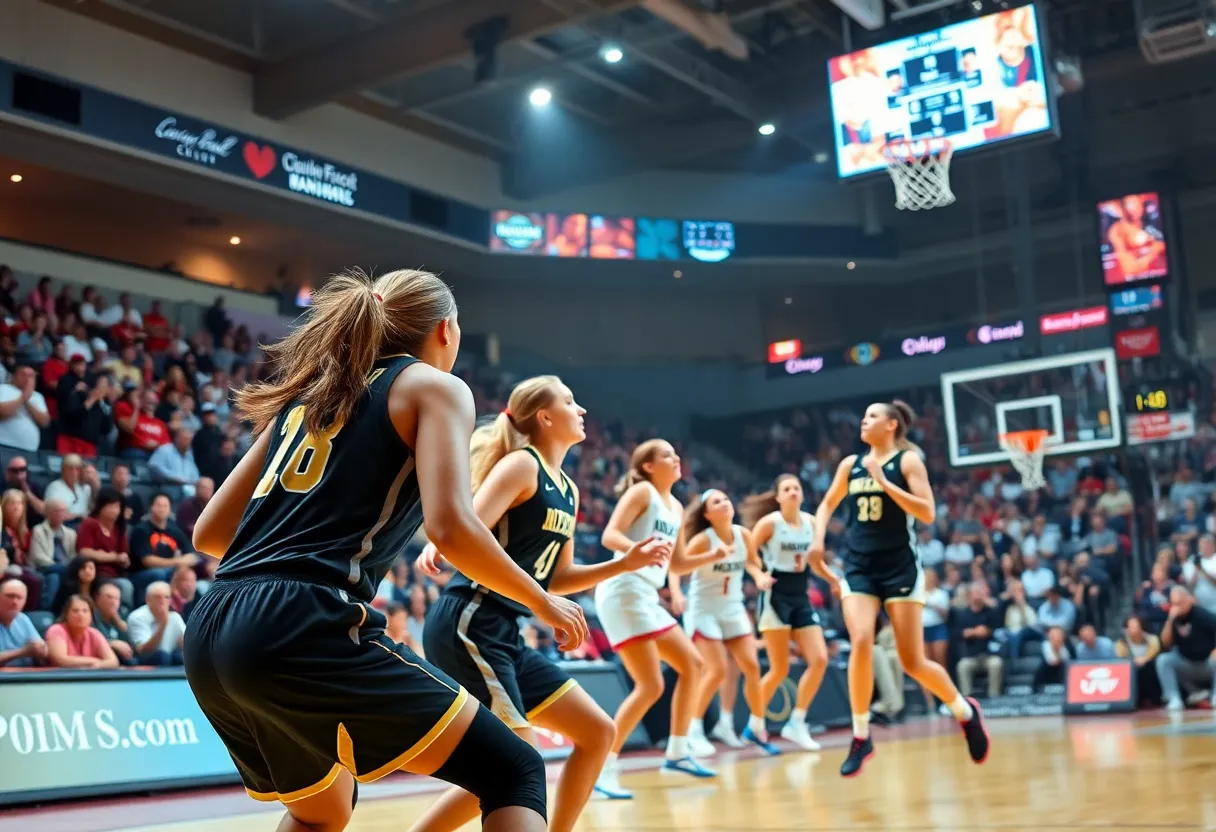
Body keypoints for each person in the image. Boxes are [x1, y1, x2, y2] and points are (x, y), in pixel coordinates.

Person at [183, 270, 588, 832]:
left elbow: (208, 532)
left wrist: (297, 540)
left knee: (322, 810)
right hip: (303, 620)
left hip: (212, 625)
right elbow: (452, 529)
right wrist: (542, 602)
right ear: (446, 330)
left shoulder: (308, 397)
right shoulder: (435, 387)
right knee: (513, 769)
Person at [413, 375, 666, 831]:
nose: (582, 410)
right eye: (570, 402)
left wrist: (623, 563)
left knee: (597, 732)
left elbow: (560, 577)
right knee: (513, 763)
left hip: (504, 630)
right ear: (545, 418)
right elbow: (468, 526)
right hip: (470, 618)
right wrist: (442, 546)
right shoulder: (521, 465)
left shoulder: (568, 489)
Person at [812, 401, 989, 777]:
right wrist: (816, 541)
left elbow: (927, 513)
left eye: (873, 415)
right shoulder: (850, 464)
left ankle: (964, 711)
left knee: (912, 661)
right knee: (861, 639)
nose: (864, 419)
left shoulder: (907, 462)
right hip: (859, 565)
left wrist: (885, 483)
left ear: (891, 425)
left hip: (899, 567)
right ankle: (861, 736)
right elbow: (827, 505)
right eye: (863, 415)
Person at [593, 439, 720, 798]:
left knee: (663, 680)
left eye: (676, 453)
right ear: (648, 466)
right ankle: (607, 766)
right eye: (666, 455)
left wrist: (711, 556)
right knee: (683, 669)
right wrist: (637, 551)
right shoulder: (643, 492)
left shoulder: (676, 506)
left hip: (644, 594)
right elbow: (609, 535)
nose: (675, 458)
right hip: (624, 589)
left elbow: (677, 564)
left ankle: (676, 751)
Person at [677, 488, 783, 755]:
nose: (724, 503)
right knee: (716, 670)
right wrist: (677, 593)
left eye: (726, 498)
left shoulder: (743, 535)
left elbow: (751, 562)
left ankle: (749, 727)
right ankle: (693, 729)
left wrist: (758, 577)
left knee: (751, 666)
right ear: (707, 514)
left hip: (732, 608)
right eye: (717, 502)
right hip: (704, 609)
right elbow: (678, 566)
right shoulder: (703, 540)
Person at [743, 474, 828, 751]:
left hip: (800, 595)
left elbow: (815, 562)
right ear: (778, 496)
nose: (793, 492)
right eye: (787, 489)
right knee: (779, 668)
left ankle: (797, 722)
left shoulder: (812, 523)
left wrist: (834, 580)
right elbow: (748, 556)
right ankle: (755, 724)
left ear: (802, 494)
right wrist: (757, 576)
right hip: (775, 595)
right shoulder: (770, 524)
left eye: (796, 488)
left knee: (820, 659)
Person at [1156, 586, 1216, 711]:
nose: (1178, 607)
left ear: (1188, 600)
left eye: (1180, 603)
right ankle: (1174, 699)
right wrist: (1170, 620)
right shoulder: (1172, 619)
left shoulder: (1203, 615)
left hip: (1207, 664)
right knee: (1164, 660)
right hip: (1187, 664)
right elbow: (1165, 644)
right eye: (1174, 604)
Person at [45, 594, 119, 669]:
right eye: (75, 611)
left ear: (91, 615)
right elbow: (60, 660)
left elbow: (113, 661)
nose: (81, 615)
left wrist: (98, 665)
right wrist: (93, 661)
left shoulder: (93, 633)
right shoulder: (56, 630)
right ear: (66, 614)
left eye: (85, 611)